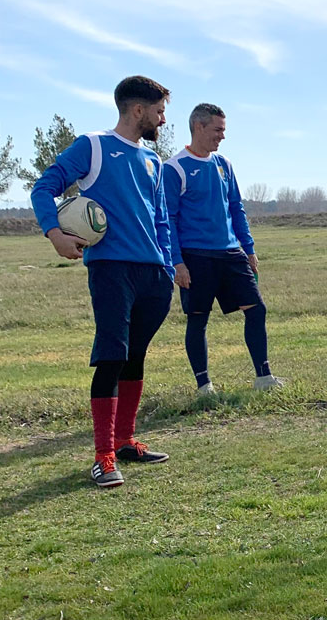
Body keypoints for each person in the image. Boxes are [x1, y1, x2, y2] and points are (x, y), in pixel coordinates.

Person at [31, 75, 175, 488]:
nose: (163, 120)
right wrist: (54, 233)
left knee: (136, 356)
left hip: (153, 275)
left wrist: (166, 266)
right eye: (160, 111)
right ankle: (103, 455)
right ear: (138, 110)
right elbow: (45, 186)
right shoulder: (92, 146)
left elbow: (161, 219)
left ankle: (126, 440)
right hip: (111, 269)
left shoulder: (154, 162)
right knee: (112, 356)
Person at [163, 103, 283, 394]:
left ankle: (264, 377)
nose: (222, 137)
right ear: (199, 127)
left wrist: (249, 248)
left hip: (231, 254)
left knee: (257, 309)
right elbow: (168, 219)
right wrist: (177, 262)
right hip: (196, 257)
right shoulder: (174, 168)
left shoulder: (224, 164)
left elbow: (236, 208)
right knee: (198, 318)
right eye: (218, 130)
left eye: (223, 130)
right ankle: (204, 385)